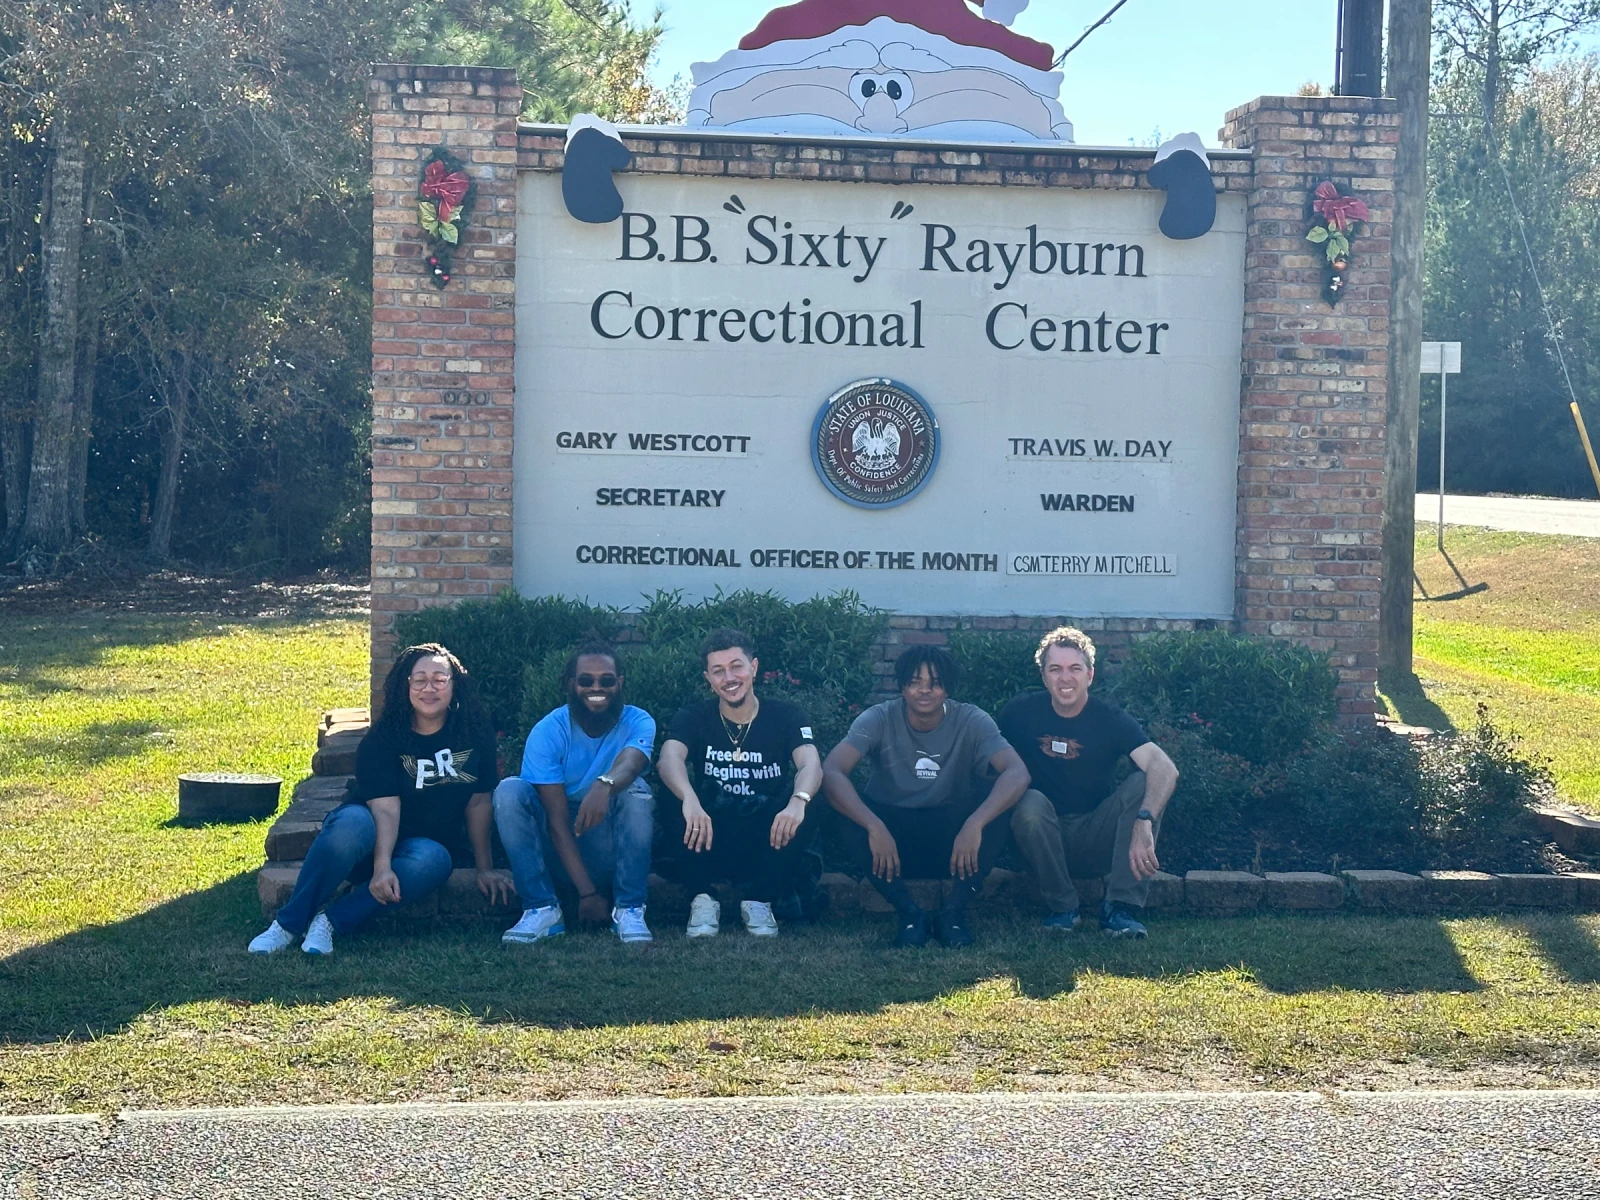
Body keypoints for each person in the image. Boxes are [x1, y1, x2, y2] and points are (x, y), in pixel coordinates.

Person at [249, 643, 508, 955]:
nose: (430, 688)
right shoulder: (385, 738)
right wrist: (382, 866)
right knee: (351, 824)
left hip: (419, 847)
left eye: (440, 679)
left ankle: (330, 921)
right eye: (419, 680)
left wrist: (485, 868)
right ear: (406, 685)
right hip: (368, 836)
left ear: (454, 684)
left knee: (436, 860)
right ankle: (288, 924)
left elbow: (478, 803)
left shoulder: (474, 732)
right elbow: (385, 806)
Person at [822, 645, 1030, 948]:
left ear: (947, 687)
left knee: (998, 804)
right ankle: (909, 914)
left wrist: (975, 824)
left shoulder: (971, 720)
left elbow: (1017, 772)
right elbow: (831, 771)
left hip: (951, 837)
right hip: (892, 838)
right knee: (844, 806)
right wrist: (874, 826)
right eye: (915, 681)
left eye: (934, 682)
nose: (924, 690)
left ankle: (953, 914)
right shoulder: (878, 718)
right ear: (902, 685)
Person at [999, 626, 1179, 940]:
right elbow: (987, 760)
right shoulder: (1019, 713)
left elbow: (1164, 767)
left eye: (1074, 669)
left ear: (1090, 675)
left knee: (1142, 783)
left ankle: (1120, 910)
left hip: (1095, 835)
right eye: (1055, 669)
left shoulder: (1109, 719)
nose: (1065, 678)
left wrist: (1144, 821)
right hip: (1040, 835)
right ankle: (1063, 909)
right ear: (1043, 676)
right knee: (1028, 802)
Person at [657, 628, 822, 938]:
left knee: (812, 792)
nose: (729, 677)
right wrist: (689, 798)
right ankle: (702, 897)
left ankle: (761, 899)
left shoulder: (786, 716)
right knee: (673, 791)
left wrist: (798, 802)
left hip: (768, 835)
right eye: (718, 671)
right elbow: (668, 759)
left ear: (754, 668)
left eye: (736, 666)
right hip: (708, 832)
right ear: (708, 678)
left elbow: (810, 763)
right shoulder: (693, 716)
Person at [492, 640, 657, 944]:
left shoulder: (638, 720)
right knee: (509, 791)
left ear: (619, 683)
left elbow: (632, 764)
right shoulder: (549, 730)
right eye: (586, 680)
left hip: (607, 846)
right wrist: (588, 894)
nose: (597, 687)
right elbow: (556, 822)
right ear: (571, 684)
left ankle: (630, 910)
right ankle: (542, 909)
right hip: (559, 849)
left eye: (607, 680)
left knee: (636, 790)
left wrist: (604, 785)